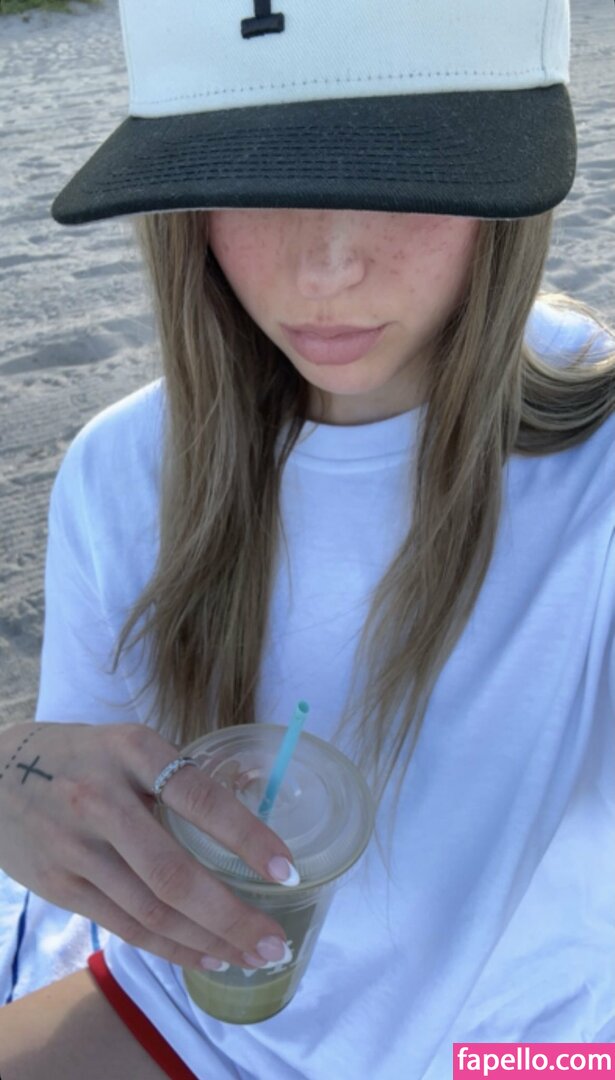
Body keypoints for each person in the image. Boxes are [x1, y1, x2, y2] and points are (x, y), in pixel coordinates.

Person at [0, 0, 613, 1077]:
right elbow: (85, 803)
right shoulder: (120, 471)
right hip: (186, 1016)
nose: (326, 267)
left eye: (405, 169)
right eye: (253, 177)